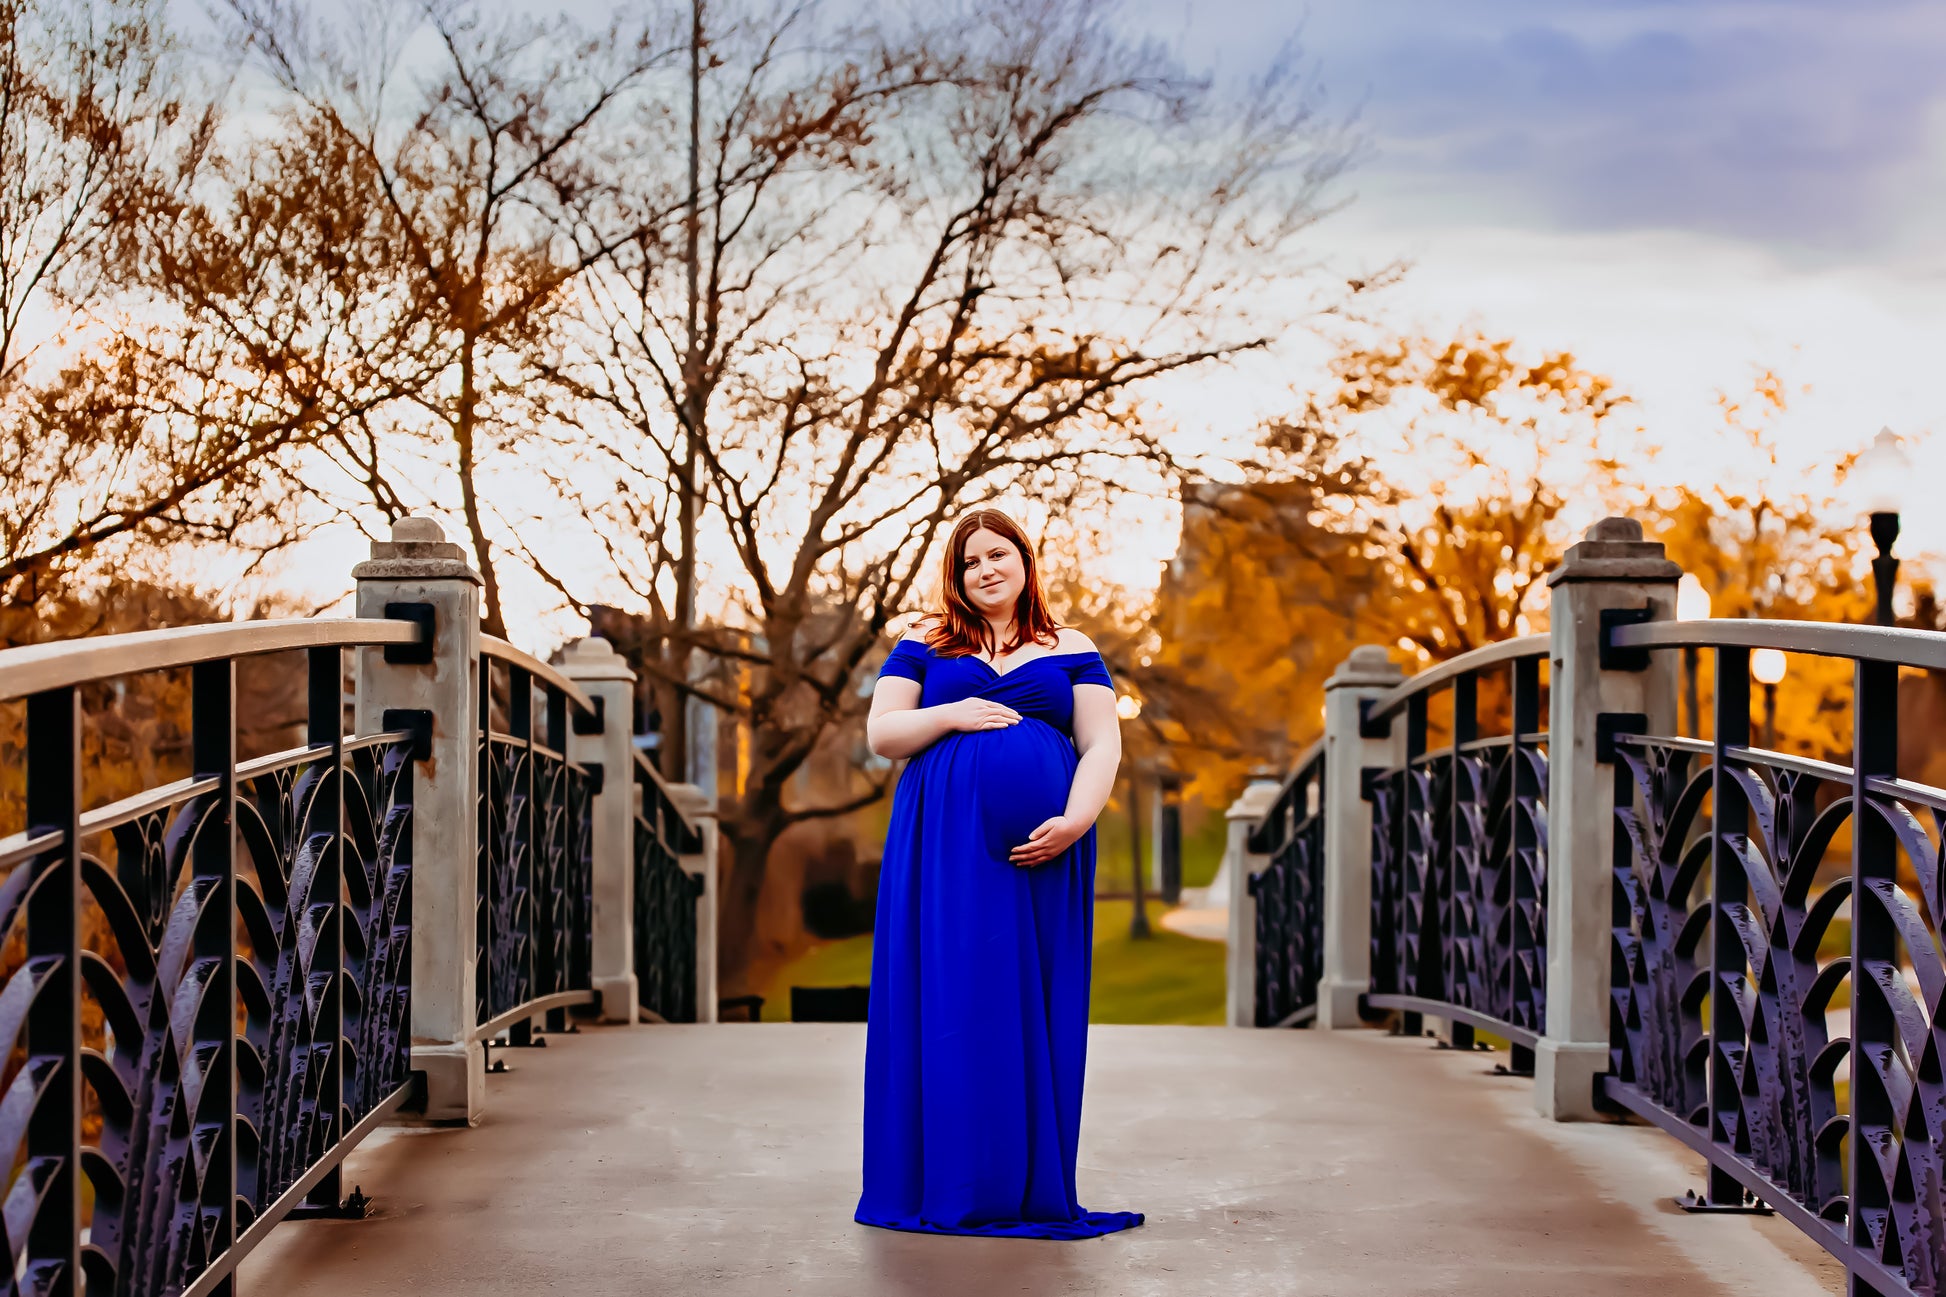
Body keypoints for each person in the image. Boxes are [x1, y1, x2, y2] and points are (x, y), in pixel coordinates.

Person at [853, 508, 1145, 1240]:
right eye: (969, 561)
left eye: (997, 554)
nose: (985, 569)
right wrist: (954, 714)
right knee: (955, 998)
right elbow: (884, 733)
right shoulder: (922, 641)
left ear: (1024, 559)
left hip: (1047, 852)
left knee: (1031, 1003)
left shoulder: (1072, 645)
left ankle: (1024, 1181)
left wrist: (1077, 818)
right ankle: (956, 1178)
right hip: (943, 847)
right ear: (955, 577)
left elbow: (1101, 743)